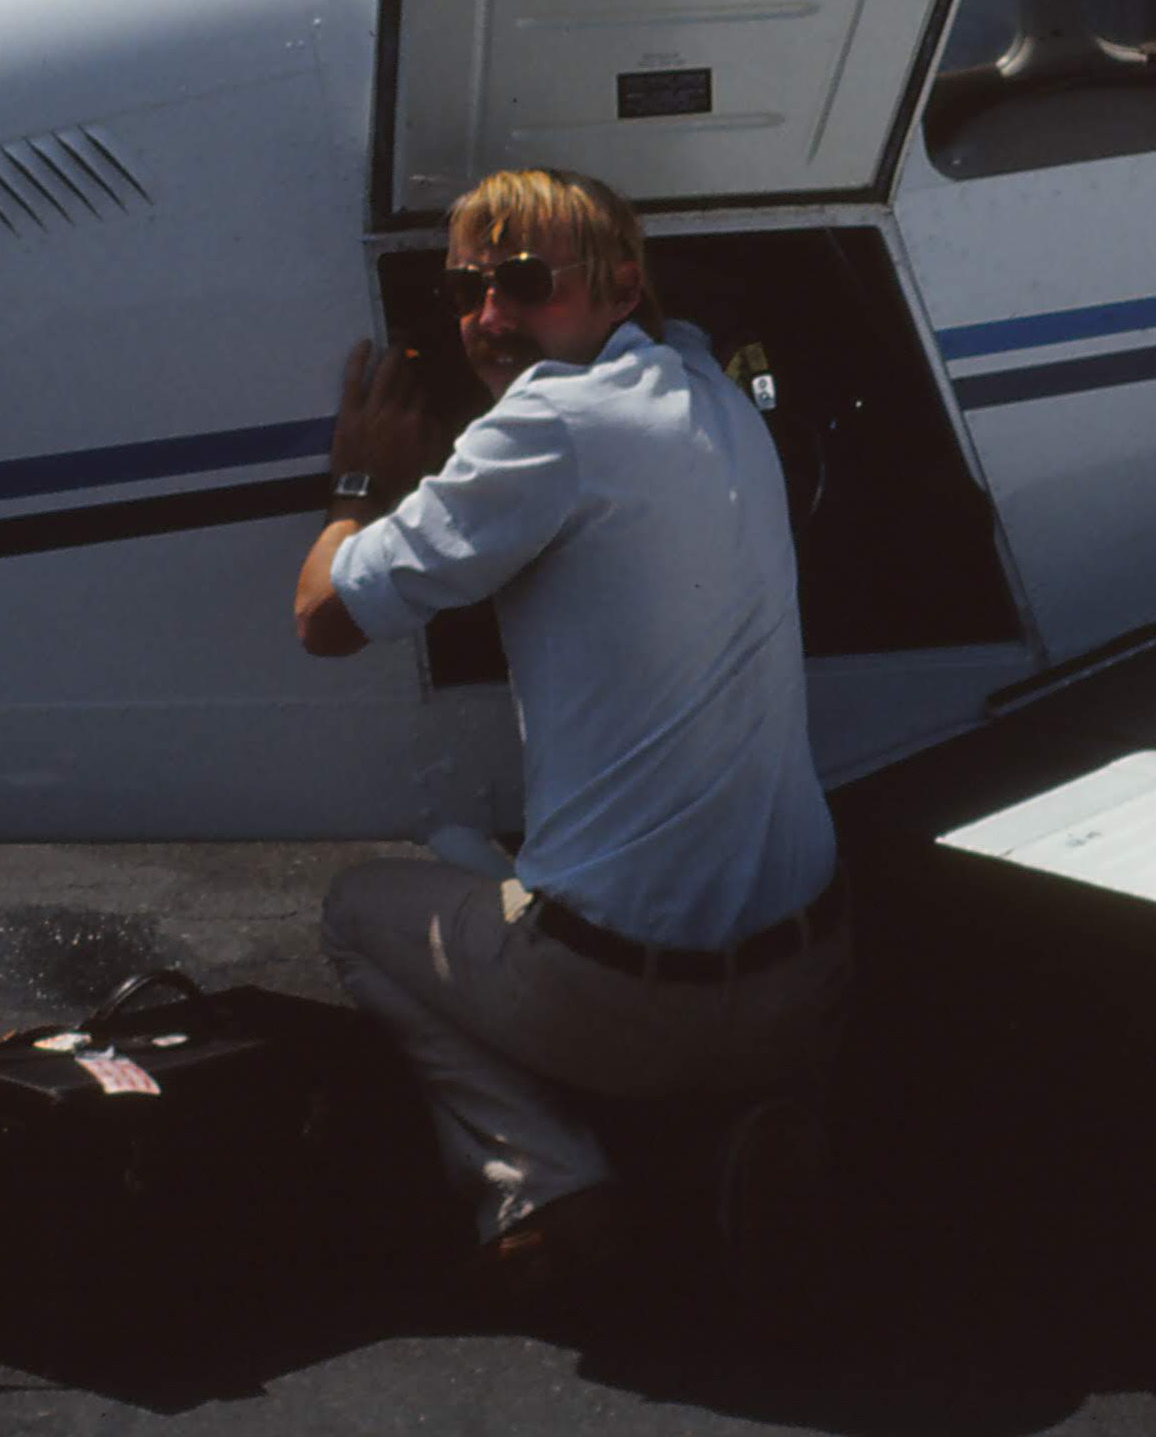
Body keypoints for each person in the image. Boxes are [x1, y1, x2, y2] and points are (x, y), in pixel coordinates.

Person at [290, 167, 847, 1304]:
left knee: (354, 909)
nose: (489, 320)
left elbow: (322, 619)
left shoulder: (545, 425)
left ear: (615, 287)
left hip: (628, 1007)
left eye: (526, 284)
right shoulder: (703, 379)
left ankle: (546, 1186)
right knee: (489, 862)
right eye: (466, 289)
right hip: (813, 981)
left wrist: (360, 483)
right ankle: (742, 1129)